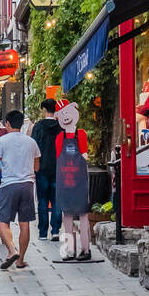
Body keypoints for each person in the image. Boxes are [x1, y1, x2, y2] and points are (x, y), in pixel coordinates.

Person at [0, 109, 41, 270]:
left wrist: (3, 168)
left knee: (2, 221)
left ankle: (12, 250)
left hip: (9, 185)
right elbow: (37, 166)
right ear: (21, 124)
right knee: (24, 223)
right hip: (28, 185)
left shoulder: (1, 141)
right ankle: (20, 260)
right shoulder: (31, 142)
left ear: (7, 124)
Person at [54, 100, 93, 261]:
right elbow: (58, 158)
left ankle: (85, 249)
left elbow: (85, 155)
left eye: (68, 112)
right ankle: (69, 250)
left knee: (83, 216)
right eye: (62, 114)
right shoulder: (59, 137)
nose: (66, 117)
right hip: (65, 182)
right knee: (67, 217)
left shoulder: (81, 134)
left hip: (80, 182)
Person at [30, 98, 64, 241]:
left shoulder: (38, 127)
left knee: (42, 200)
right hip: (58, 168)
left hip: (42, 168)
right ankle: (55, 230)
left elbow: (33, 148)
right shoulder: (61, 126)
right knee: (56, 200)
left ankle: (43, 232)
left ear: (44, 110)